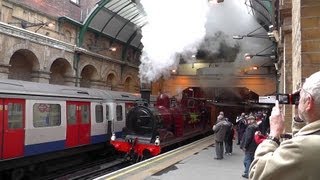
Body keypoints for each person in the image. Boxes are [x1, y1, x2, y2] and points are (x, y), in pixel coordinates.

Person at [249, 71, 320, 180]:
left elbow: (257, 174)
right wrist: (299, 118)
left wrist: (274, 134)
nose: (297, 100)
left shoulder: (301, 148)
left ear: (309, 102)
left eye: (300, 97)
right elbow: (305, 139)